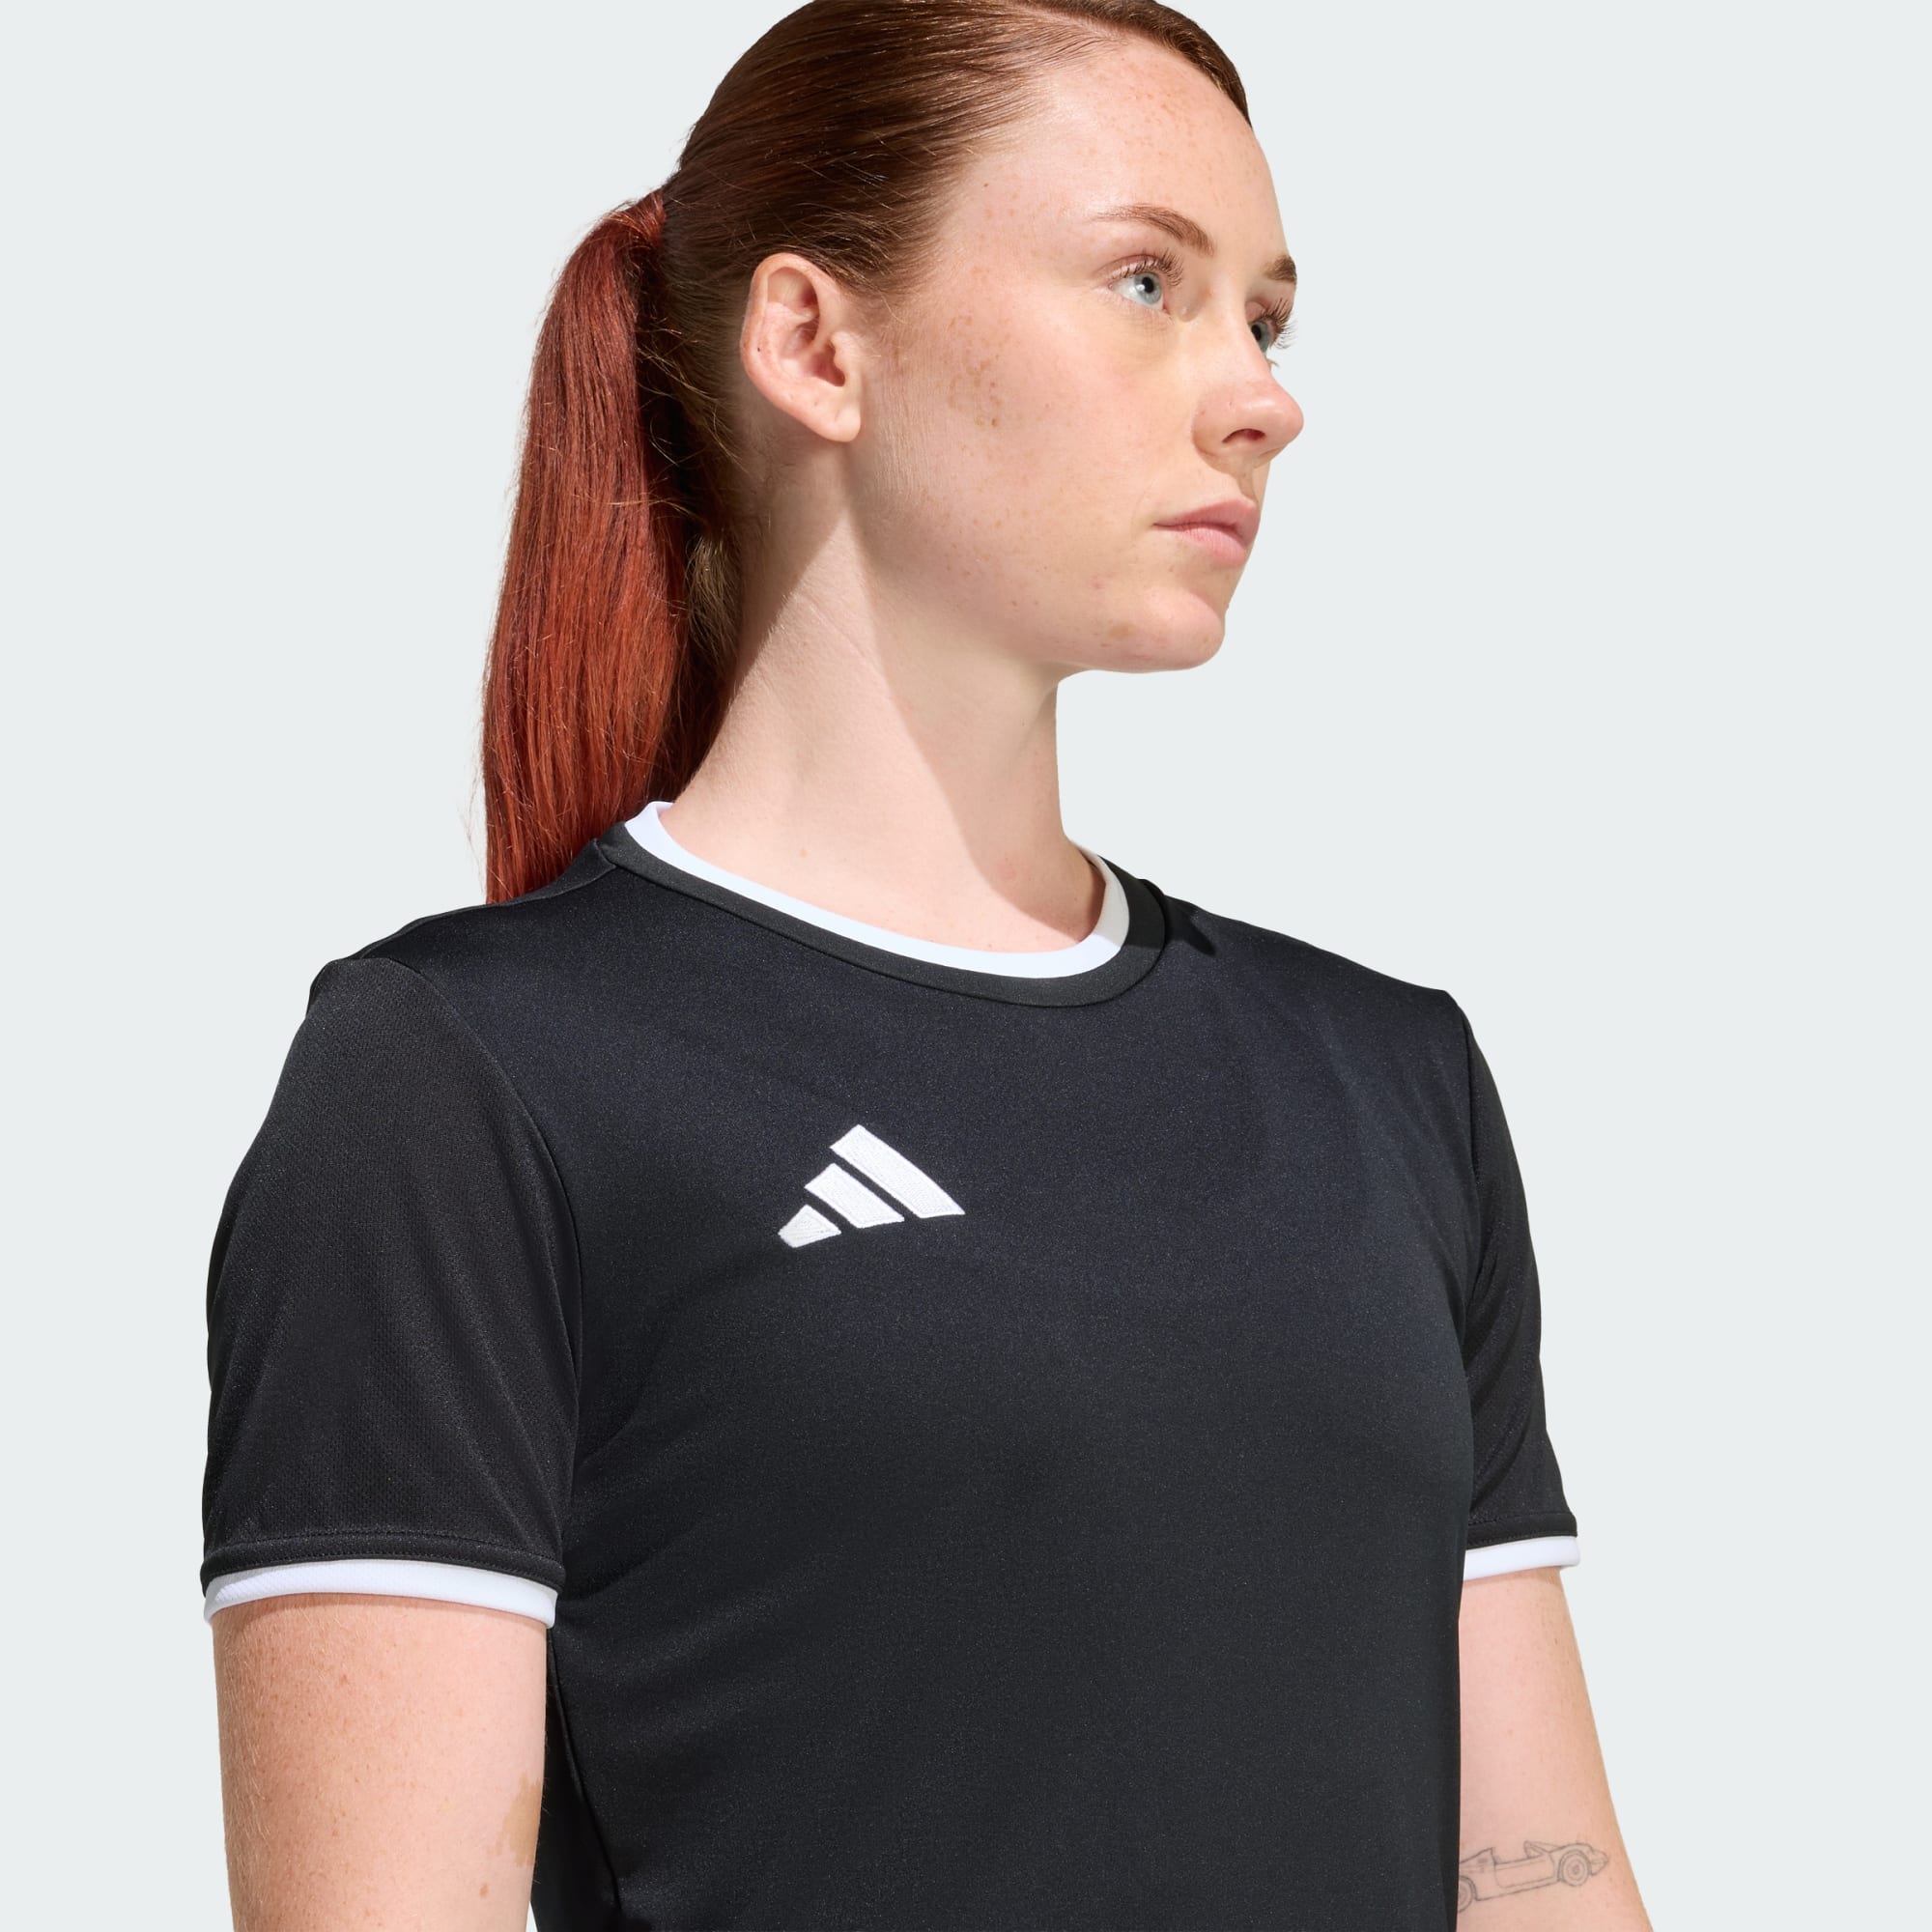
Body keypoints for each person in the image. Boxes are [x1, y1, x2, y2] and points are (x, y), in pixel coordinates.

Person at [199, 2, 1653, 1926]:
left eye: (1266, 318)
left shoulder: (1390, 1081)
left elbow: (1536, 1880)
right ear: (817, 343)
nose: (1259, 397)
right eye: (1146, 282)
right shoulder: (470, 1081)